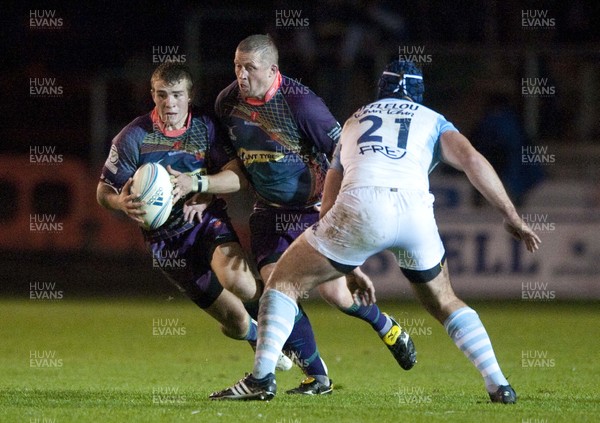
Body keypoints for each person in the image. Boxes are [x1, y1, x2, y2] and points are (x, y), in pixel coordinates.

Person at [210, 59, 541, 403]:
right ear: (419, 94)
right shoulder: (432, 120)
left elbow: (329, 199)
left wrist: (346, 261)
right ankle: (498, 384)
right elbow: (472, 160)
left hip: (361, 207)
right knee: (445, 301)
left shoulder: (355, 119)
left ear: (380, 91)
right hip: (415, 214)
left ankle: (262, 379)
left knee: (282, 284)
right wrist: (510, 215)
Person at [210, 34, 416, 398]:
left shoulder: (302, 104)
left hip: (313, 210)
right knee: (275, 288)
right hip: (269, 212)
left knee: (337, 296)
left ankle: (387, 326)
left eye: (250, 69)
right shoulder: (227, 103)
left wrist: (343, 212)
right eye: (237, 67)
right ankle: (317, 376)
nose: (241, 76)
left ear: (273, 70)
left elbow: (344, 156)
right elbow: (231, 157)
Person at [96, 61, 297, 375]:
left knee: (241, 283)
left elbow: (237, 178)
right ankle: (257, 335)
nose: (170, 103)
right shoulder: (133, 137)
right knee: (236, 321)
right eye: (162, 95)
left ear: (189, 95)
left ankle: (292, 337)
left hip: (206, 222)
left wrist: (199, 184)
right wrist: (120, 202)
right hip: (166, 244)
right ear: (152, 95)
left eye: (177, 95)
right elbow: (103, 190)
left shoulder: (206, 125)